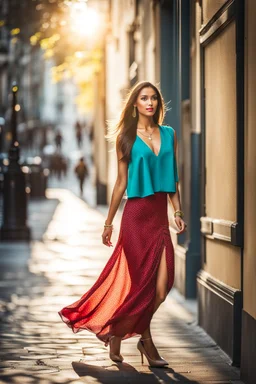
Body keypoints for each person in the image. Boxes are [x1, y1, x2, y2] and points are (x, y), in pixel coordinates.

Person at [58, 81, 187, 367]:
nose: (150, 102)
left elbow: (173, 178)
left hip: (159, 217)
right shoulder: (126, 137)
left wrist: (177, 211)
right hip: (136, 216)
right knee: (140, 285)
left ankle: (118, 331)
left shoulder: (169, 134)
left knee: (162, 288)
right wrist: (108, 223)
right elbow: (120, 183)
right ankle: (147, 342)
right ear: (135, 104)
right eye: (144, 98)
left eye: (154, 98)